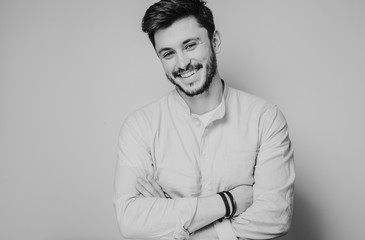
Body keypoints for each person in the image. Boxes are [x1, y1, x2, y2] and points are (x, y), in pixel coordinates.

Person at [113, 0, 295, 239]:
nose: (182, 63)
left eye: (190, 45)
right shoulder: (140, 127)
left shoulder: (265, 118)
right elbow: (130, 221)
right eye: (168, 53)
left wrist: (174, 223)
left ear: (215, 41)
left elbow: (275, 216)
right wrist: (229, 202)